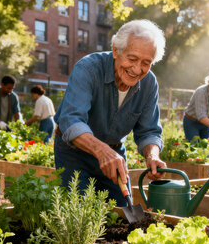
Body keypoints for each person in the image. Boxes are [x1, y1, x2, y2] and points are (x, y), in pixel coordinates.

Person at [53, 19, 167, 206]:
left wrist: (152, 155)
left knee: (124, 212)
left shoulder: (149, 83)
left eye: (146, 63)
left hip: (114, 154)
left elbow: (149, 131)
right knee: (78, 214)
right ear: (116, 50)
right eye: (132, 59)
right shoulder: (88, 69)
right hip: (74, 153)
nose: (137, 69)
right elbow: (71, 120)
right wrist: (101, 150)